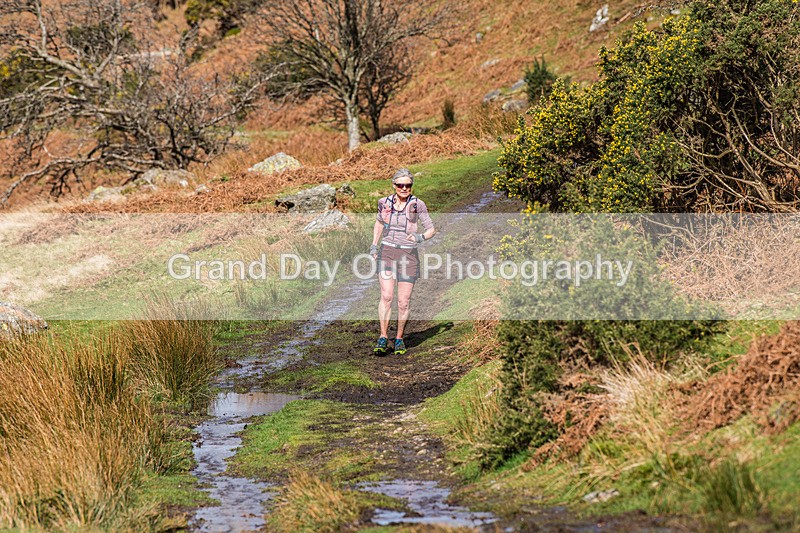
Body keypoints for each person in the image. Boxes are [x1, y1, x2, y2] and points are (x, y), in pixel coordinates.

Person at [370, 168, 435, 355]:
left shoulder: (417, 204)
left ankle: (399, 338)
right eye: (400, 185)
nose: (404, 188)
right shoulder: (384, 203)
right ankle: (383, 337)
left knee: (403, 302)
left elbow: (431, 229)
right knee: (387, 296)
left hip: (408, 255)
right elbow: (379, 223)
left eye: (408, 185)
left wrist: (420, 237)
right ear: (394, 186)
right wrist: (374, 246)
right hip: (387, 252)